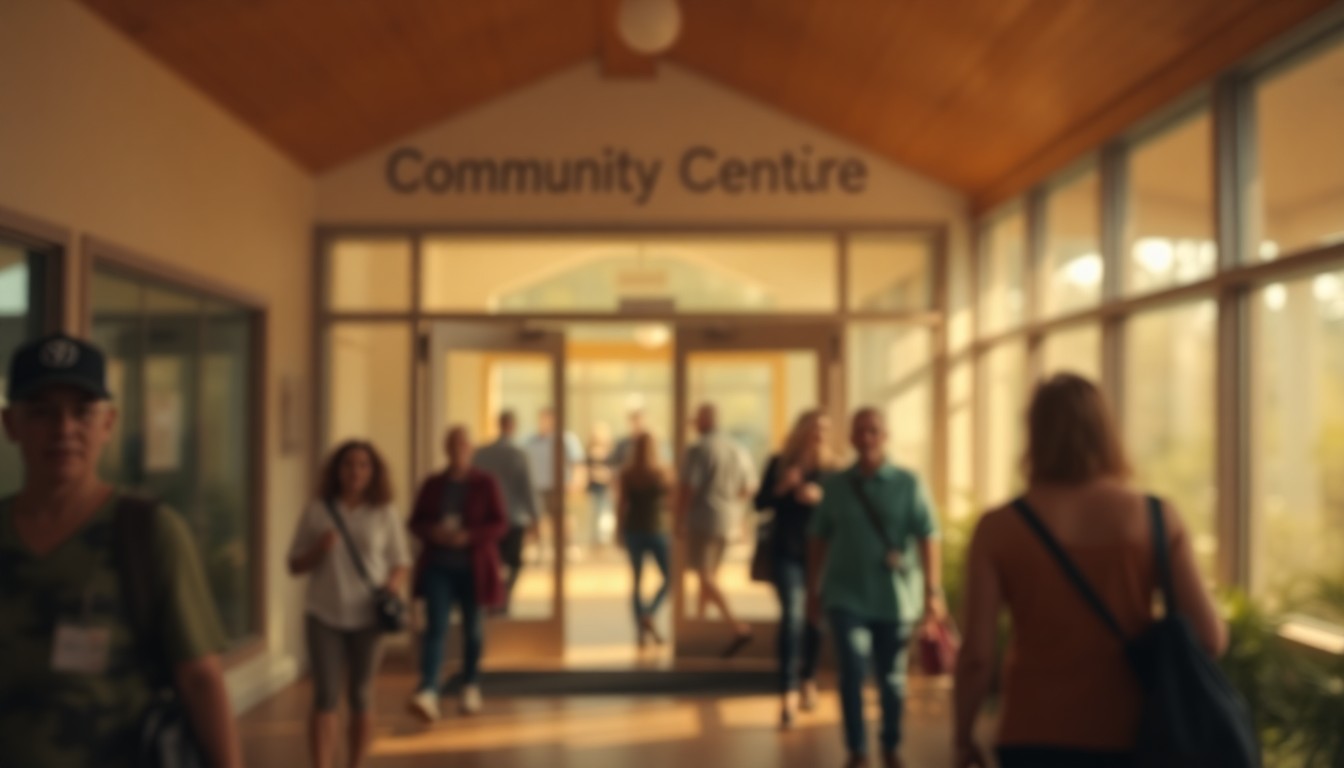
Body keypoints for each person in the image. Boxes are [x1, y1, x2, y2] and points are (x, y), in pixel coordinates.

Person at [953, 374, 1227, 768]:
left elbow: (978, 655)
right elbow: (1210, 638)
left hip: (1032, 731)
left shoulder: (999, 528)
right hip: (1133, 732)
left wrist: (963, 737)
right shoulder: (1157, 518)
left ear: (1034, 434)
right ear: (1107, 431)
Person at [0, 333, 243, 767]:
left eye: (82, 412)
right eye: (42, 412)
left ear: (108, 424)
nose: (64, 429)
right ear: (10, 424)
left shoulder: (149, 532)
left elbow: (201, 679)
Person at [807, 407, 944, 768]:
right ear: (851, 438)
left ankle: (890, 743)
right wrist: (812, 591)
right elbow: (818, 539)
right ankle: (856, 748)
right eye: (860, 431)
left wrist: (933, 592)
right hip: (844, 594)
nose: (867, 438)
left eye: (874, 431)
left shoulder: (908, 483)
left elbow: (929, 535)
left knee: (892, 678)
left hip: (894, 598)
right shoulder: (836, 486)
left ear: (885, 436)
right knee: (851, 668)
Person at [287, 440, 411, 768]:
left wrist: (392, 583)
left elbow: (400, 560)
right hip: (324, 613)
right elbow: (294, 565)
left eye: (363, 465)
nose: (355, 471)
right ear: (337, 470)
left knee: (361, 694)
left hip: (368, 617)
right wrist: (318, 549)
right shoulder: (317, 509)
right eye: (348, 465)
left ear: (373, 472)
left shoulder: (384, 511)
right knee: (325, 695)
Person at [407, 425, 508, 722]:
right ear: (445, 449)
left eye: (463, 445)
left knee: (473, 630)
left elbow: (500, 524)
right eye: (453, 445)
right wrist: (434, 532)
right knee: (436, 628)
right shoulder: (433, 484)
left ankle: (470, 684)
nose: (458, 451)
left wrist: (470, 536)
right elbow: (415, 522)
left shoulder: (485, 483)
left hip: (473, 568)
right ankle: (428, 689)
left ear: (471, 449)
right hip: (439, 566)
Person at [754, 408, 834, 729]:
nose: (819, 436)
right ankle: (786, 690)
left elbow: (840, 514)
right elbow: (759, 504)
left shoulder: (834, 469)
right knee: (793, 617)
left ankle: (809, 678)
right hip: (785, 551)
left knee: (814, 619)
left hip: (821, 554)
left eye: (824, 430)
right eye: (814, 429)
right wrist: (782, 488)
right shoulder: (779, 463)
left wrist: (820, 499)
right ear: (801, 430)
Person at [679, 402, 754, 656]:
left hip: (703, 518)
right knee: (708, 576)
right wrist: (732, 506)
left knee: (706, 576)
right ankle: (700, 629)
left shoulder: (699, 449)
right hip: (727, 519)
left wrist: (679, 517)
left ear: (703, 421)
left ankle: (736, 626)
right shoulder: (736, 448)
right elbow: (748, 487)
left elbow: (689, 487)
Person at [472, 410, 539, 613]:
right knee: (513, 563)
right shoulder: (517, 455)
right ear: (512, 426)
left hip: (488, 519)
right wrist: (535, 517)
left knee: (495, 561)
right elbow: (527, 488)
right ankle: (502, 595)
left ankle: (497, 596)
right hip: (512, 518)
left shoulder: (481, 454)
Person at [615, 431, 674, 648]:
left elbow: (621, 504)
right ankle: (648, 615)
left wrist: (619, 530)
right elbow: (671, 502)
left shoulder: (628, 473)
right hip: (657, 529)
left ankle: (643, 625)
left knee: (637, 582)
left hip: (634, 530)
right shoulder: (663, 472)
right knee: (670, 577)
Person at [524, 406, 584, 558]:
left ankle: (568, 546)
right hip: (537, 485)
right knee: (537, 518)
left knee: (562, 517)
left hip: (558, 485)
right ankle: (538, 548)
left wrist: (576, 481)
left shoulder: (565, 438)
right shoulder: (530, 440)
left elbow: (577, 462)